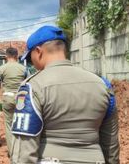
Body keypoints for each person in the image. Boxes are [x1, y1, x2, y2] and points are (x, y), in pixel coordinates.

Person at [11, 25, 120, 164]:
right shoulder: (103, 85)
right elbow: (111, 144)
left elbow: (23, 152)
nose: (33, 64)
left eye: (31, 58)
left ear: (38, 52)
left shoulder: (32, 87)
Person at [0, 47, 27, 155]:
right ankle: (21, 150)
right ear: (17, 56)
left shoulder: (1, 69)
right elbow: (29, 84)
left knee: (8, 124)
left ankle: (12, 152)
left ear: (6, 56)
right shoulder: (24, 69)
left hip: (7, 98)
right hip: (21, 99)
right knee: (21, 124)